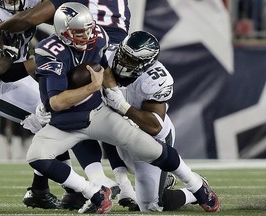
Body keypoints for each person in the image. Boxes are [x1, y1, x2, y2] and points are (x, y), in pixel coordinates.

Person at [27, 2, 220, 214]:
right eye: (124, 55)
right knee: (51, 146)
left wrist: (122, 105)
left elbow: (155, 127)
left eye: (133, 61)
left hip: (150, 129)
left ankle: (195, 187)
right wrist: (46, 103)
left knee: (151, 204)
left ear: (147, 65)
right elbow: (63, 83)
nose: (125, 62)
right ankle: (97, 191)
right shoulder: (100, 49)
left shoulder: (156, 79)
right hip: (103, 120)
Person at [0, 0, 137, 210]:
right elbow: (2, 71)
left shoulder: (30, 3)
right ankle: (80, 188)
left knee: (69, 110)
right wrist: (46, 58)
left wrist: (64, 41)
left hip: (20, 73)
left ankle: (42, 190)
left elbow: (56, 21)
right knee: (55, 118)